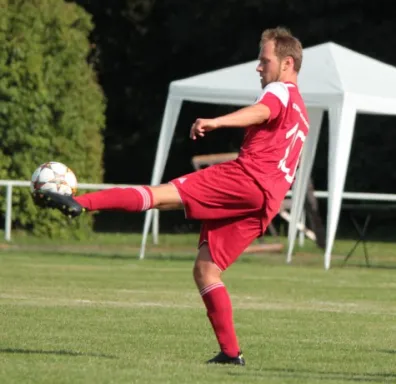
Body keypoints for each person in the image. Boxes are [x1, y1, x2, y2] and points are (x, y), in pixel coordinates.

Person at [34, 26, 309, 366]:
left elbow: (262, 111)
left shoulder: (280, 91)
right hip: (265, 201)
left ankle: (80, 202)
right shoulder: (302, 112)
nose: (258, 67)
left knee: (158, 195)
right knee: (206, 270)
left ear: (286, 63)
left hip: (246, 178)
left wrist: (217, 122)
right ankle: (230, 353)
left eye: (263, 60)